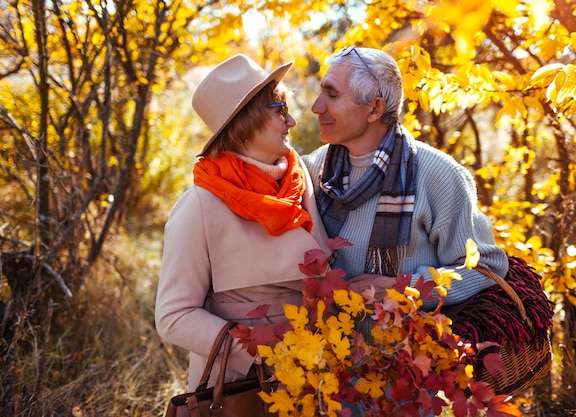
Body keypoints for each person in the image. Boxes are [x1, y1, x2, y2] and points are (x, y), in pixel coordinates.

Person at [155, 54, 329, 391]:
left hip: (312, 377)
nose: (292, 121)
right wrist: (260, 353)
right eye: (280, 110)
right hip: (240, 386)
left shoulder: (300, 179)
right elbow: (173, 317)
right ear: (245, 123)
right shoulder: (199, 206)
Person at [303, 46, 509, 310]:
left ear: (374, 109)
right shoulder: (315, 168)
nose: (316, 106)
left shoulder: (438, 175)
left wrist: (400, 288)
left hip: (408, 347)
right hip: (329, 347)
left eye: (332, 94)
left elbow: (486, 267)